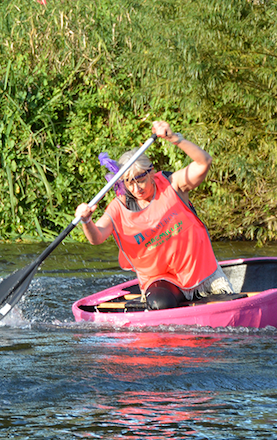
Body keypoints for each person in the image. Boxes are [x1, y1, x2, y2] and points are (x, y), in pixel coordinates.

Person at [74, 120, 234, 310]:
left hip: (203, 272)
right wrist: (86, 221)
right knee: (159, 304)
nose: (136, 188)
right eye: (129, 183)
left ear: (151, 172)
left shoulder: (172, 184)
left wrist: (174, 138)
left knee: (227, 304)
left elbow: (204, 162)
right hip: (162, 280)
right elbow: (97, 236)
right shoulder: (119, 207)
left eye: (140, 179)